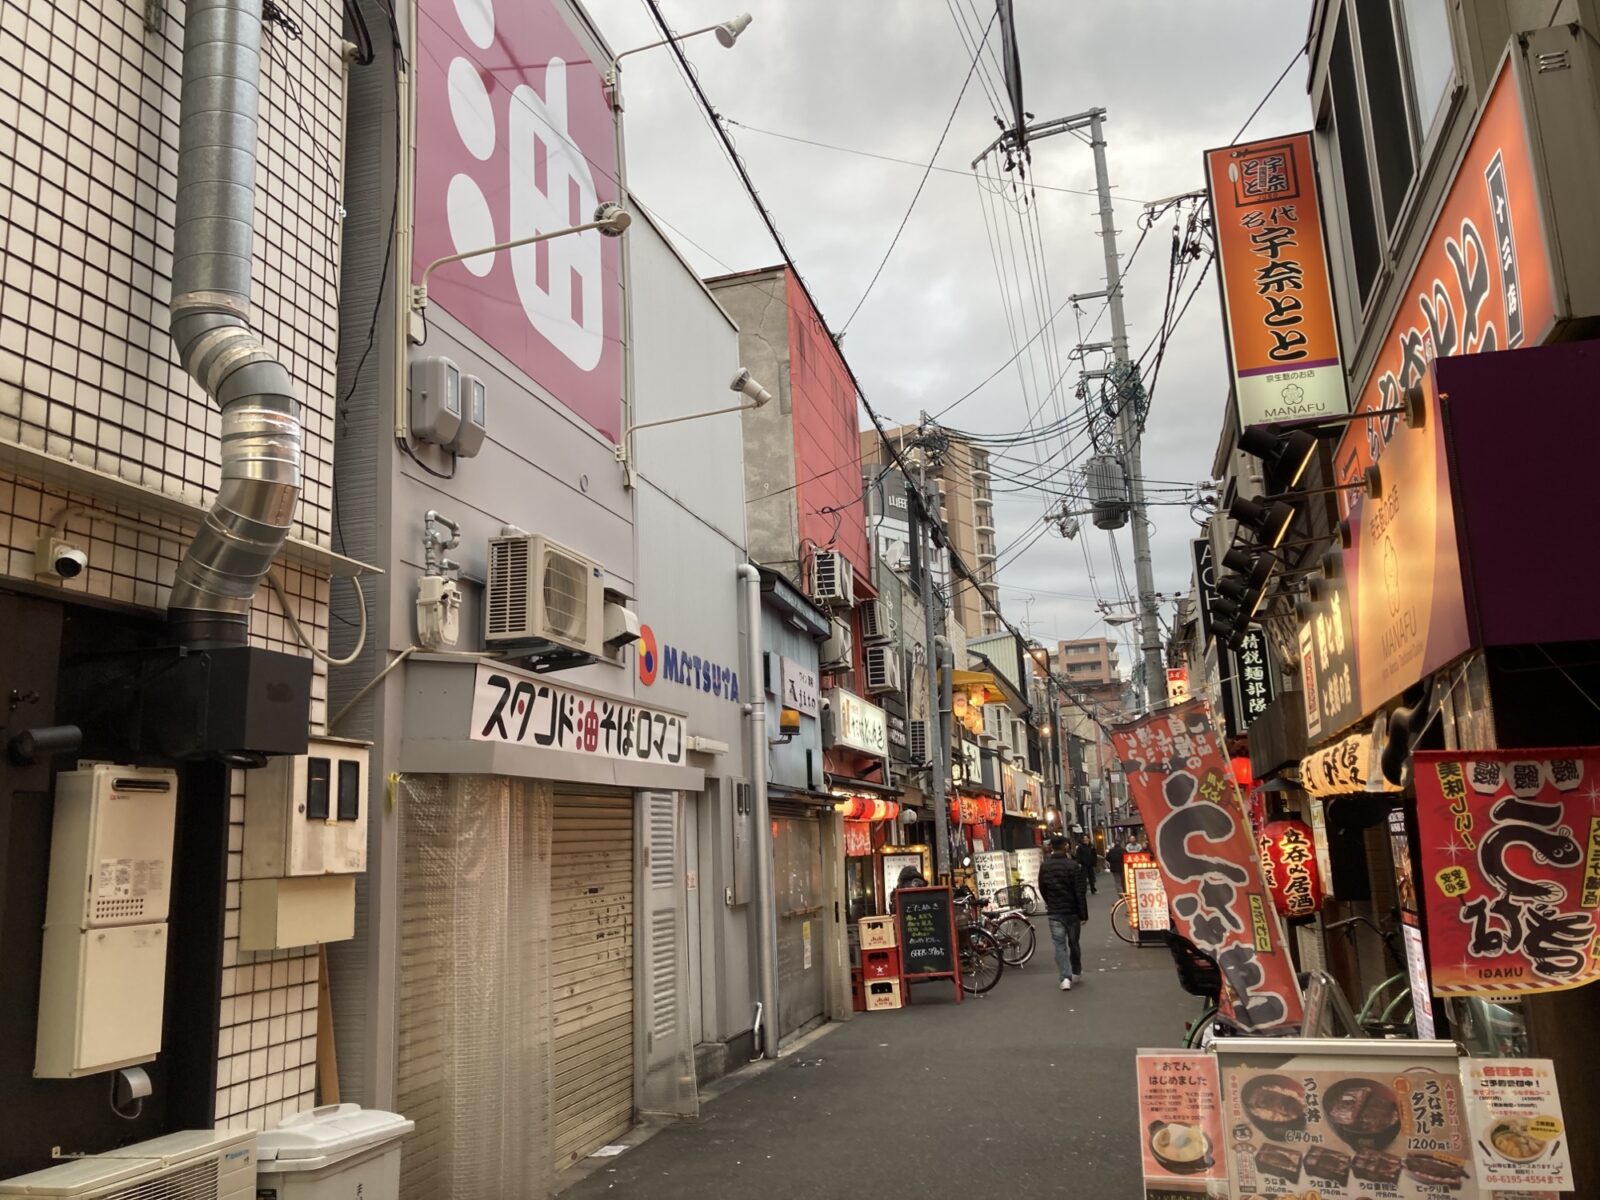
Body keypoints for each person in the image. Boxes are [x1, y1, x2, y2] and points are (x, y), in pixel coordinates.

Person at [1038, 835, 1090, 990]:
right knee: (1074, 943)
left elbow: (1042, 887)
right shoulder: (1073, 865)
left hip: (1055, 911)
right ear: (1065, 846)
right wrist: (1083, 913)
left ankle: (1065, 977)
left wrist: (1050, 902)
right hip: (1072, 910)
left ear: (1051, 847)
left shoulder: (1045, 866)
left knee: (1059, 945)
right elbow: (1079, 891)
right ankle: (1076, 971)